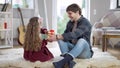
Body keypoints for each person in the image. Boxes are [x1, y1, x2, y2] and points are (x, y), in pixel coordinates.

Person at [48, 3, 94, 68]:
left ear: (77, 12)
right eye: (68, 14)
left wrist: (57, 36)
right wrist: (54, 38)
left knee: (82, 40)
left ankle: (64, 61)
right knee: (61, 39)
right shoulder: (70, 23)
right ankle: (69, 61)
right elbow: (65, 35)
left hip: (84, 53)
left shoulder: (85, 22)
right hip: (73, 50)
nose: (68, 16)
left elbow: (75, 34)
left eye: (70, 13)